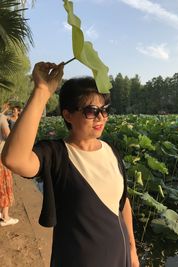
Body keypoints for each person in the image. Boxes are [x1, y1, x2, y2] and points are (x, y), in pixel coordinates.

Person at [2, 61, 140, 267]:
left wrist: (132, 249)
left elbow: (122, 202)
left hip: (120, 256)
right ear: (68, 115)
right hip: (79, 259)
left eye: (105, 109)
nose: (101, 117)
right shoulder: (56, 154)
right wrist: (41, 91)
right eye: (92, 111)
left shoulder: (111, 151)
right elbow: (14, 159)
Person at [0, 103, 19, 226]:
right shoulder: (1, 118)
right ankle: (5, 218)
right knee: (5, 186)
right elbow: (8, 135)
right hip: (0, 157)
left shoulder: (2, 116)